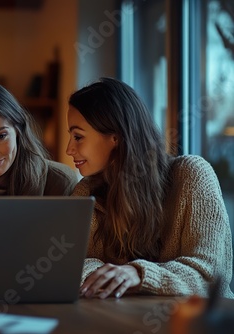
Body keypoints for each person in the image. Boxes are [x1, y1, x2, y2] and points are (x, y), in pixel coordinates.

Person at [66, 77, 234, 299]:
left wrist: (137, 273)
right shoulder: (86, 191)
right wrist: (103, 274)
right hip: (125, 321)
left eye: (78, 137)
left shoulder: (192, 175)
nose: (69, 149)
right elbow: (72, 264)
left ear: (115, 136)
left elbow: (210, 274)